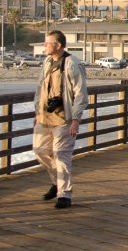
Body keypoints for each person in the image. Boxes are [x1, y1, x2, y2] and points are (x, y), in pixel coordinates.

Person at [32, 30, 88, 209]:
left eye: (47, 43)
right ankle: (57, 182)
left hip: (64, 117)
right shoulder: (47, 61)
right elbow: (40, 88)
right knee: (40, 150)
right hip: (45, 116)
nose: (44, 46)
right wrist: (37, 112)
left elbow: (81, 93)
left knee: (61, 154)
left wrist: (76, 119)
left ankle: (64, 194)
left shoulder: (72, 63)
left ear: (57, 45)